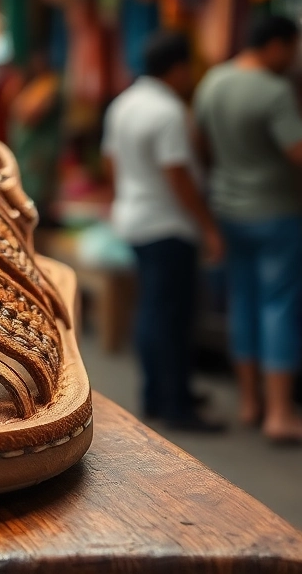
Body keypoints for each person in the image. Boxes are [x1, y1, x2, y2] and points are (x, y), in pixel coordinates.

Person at [103, 32, 223, 432]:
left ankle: (159, 394)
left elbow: (110, 160)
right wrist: (208, 225)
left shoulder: (124, 103)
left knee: (153, 309)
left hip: (136, 218)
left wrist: (125, 197)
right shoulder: (168, 111)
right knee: (171, 316)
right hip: (168, 224)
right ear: (179, 68)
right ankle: (175, 404)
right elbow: (178, 174)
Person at [193, 15, 302, 443]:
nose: (293, 59)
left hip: (228, 209)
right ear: (275, 45)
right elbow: (297, 152)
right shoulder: (275, 91)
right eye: (292, 49)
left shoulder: (213, 82)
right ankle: (280, 414)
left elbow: (199, 142)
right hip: (276, 212)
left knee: (243, 302)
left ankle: (249, 403)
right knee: (279, 305)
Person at [6, 52, 63, 226]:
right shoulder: (46, 85)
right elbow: (27, 113)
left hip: (35, 155)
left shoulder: (42, 85)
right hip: (34, 156)